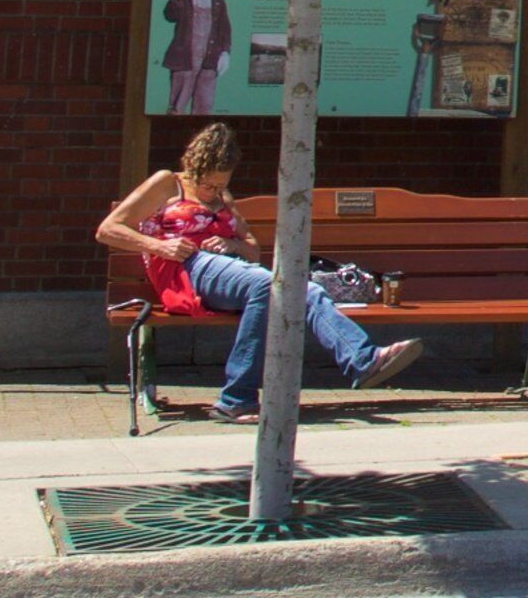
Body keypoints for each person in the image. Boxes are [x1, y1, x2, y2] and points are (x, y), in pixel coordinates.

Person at [97, 123, 420, 420]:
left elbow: (252, 248)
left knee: (304, 289)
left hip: (232, 270)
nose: (213, 192)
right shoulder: (167, 183)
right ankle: (237, 397)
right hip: (187, 268)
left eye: (221, 184)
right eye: (208, 184)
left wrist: (232, 244)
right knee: (270, 286)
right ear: (193, 166)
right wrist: (160, 246)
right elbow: (108, 229)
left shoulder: (224, 198)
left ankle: (362, 361)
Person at [159, 0, 231, 115]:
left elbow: (224, 29)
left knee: (204, 108)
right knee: (176, 108)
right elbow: (170, 16)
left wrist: (225, 53)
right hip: (184, 59)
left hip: (209, 61)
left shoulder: (219, 0)